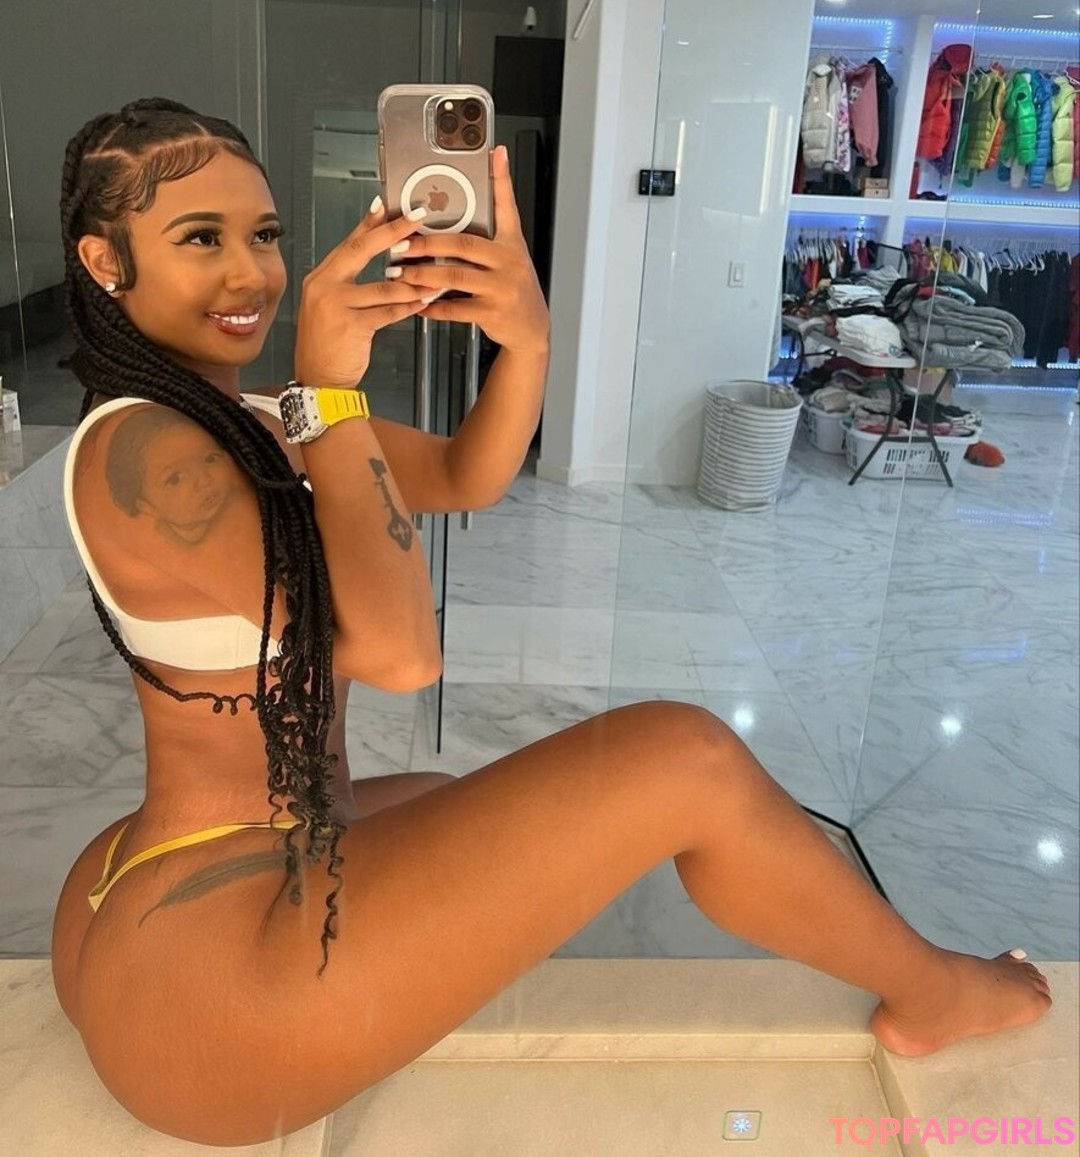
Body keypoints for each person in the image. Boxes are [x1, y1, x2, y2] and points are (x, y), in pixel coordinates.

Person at [50, 98, 1051, 1147]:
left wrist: (526, 338)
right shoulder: (146, 451)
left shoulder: (243, 417)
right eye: (199, 238)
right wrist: (329, 391)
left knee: (452, 802)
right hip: (216, 987)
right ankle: (935, 993)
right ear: (105, 260)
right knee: (684, 760)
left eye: (262, 234)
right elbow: (400, 653)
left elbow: (465, 475)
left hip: (169, 891)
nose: (250, 274)